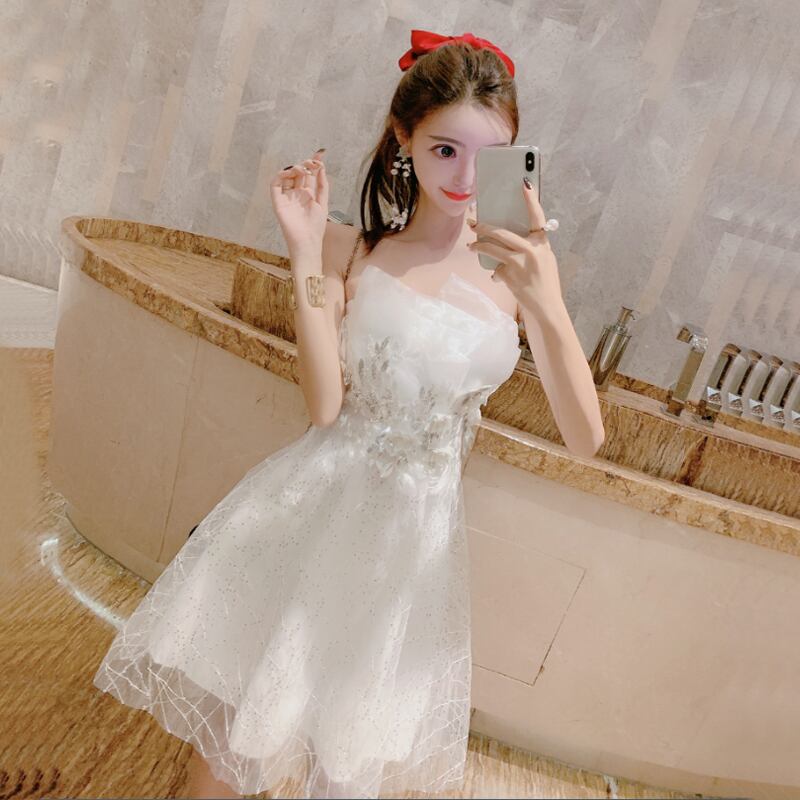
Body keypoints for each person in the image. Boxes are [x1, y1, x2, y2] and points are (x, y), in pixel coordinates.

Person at [93, 28, 600, 799]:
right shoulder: (353, 250)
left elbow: (587, 438)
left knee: (346, 755)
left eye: (488, 155)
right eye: (444, 150)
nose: (466, 177)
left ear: (514, 157)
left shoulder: (520, 274)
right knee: (235, 739)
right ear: (403, 140)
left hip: (410, 548)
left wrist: (549, 305)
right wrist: (305, 255)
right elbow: (326, 404)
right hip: (315, 512)